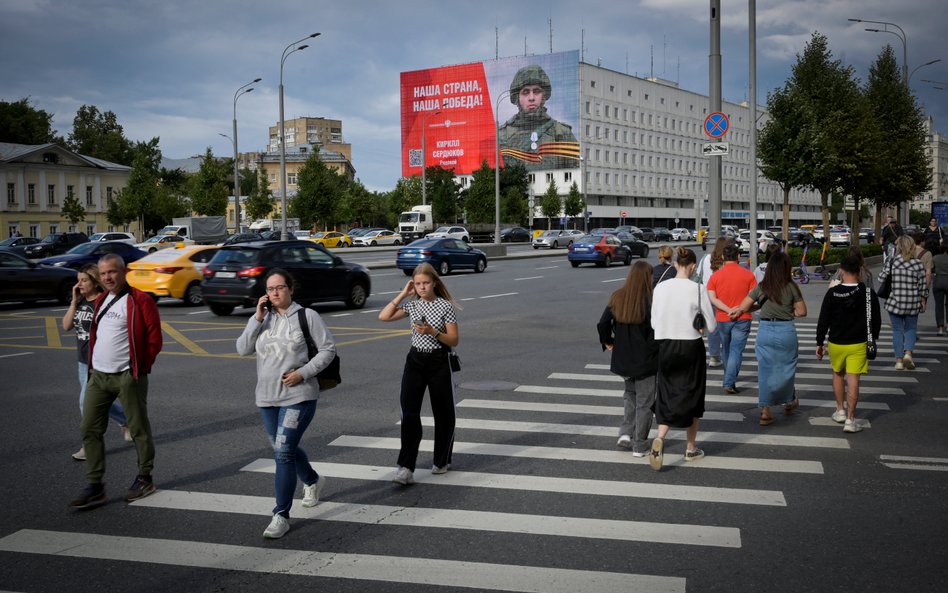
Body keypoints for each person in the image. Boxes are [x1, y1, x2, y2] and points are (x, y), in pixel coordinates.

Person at [236, 269, 335, 539]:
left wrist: (302, 373)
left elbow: (328, 350)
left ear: (291, 289)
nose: (275, 292)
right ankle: (313, 480)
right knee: (283, 447)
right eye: (270, 289)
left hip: (298, 395)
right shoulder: (263, 319)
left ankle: (281, 514)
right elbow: (242, 349)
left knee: (282, 452)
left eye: (280, 287)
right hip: (266, 397)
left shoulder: (307, 316)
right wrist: (257, 318)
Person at [69, 254, 162, 510]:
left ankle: (145, 478)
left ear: (123, 272)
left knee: (138, 428)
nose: (107, 277)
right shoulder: (101, 300)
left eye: (112, 272)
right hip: (98, 376)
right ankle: (95, 485)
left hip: (127, 375)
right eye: (103, 273)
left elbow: (155, 339)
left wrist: (139, 368)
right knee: (89, 428)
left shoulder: (139, 300)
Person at [379, 262, 459, 485]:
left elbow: (454, 339)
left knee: (443, 412)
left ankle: (442, 459)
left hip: (438, 361)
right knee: (409, 413)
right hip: (415, 360)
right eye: (417, 284)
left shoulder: (444, 306)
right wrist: (403, 293)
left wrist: (434, 332)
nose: (422, 287)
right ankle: (405, 467)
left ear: (434, 283)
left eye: (425, 283)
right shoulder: (412, 306)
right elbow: (384, 317)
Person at [649, 247, 717, 470]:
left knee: (667, 392)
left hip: (666, 344)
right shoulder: (698, 288)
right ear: (693, 266)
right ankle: (690, 447)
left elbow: (653, 322)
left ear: (676, 264)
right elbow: (712, 326)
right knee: (693, 394)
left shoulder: (660, 287)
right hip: (690, 346)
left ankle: (660, 437)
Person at [61, 264, 131, 461]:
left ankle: (89, 446)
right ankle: (127, 421)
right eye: (78, 280)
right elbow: (66, 325)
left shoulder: (103, 303)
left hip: (97, 363)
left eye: (83, 280)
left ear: (94, 281)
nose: (79, 284)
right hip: (83, 363)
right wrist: (74, 302)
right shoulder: (81, 301)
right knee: (100, 402)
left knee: (87, 403)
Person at [733, 252, 806, 425]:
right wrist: (788, 311)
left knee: (765, 370)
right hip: (786, 330)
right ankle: (789, 401)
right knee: (786, 368)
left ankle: (765, 411)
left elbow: (744, 306)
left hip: (765, 331)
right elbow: (802, 312)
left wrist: (758, 306)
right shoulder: (791, 286)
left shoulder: (762, 286)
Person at [597, 261, 658, 456]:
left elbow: (603, 323)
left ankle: (625, 433)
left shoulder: (618, 296)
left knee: (629, 395)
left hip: (623, 358)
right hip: (646, 360)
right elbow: (656, 332)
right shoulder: (651, 300)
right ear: (647, 278)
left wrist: (608, 341)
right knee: (645, 402)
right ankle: (640, 445)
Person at [816, 255, 882, 433]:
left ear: (842, 271)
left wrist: (819, 342)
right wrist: (873, 338)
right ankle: (851, 421)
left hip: (836, 342)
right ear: (860, 271)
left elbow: (824, 319)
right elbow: (876, 320)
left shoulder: (832, 292)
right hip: (858, 343)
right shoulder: (868, 293)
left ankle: (840, 411)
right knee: (853, 380)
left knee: (838, 374)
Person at [496, 64, 579, 171]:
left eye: (536, 91)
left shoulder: (561, 133)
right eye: (525, 92)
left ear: (543, 95)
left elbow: (575, 174)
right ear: (517, 97)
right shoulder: (501, 135)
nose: (531, 98)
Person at [707, 244, 757, 394]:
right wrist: (739, 309)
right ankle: (729, 381)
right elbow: (754, 298)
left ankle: (728, 378)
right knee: (736, 350)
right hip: (743, 317)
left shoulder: (715, 276)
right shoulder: (749, 275)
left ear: (722, 257)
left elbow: (712, 299)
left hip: (723, 317)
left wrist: (728, 310)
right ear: (738, 257)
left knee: (726, 348)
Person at [878, 235, 928, 370]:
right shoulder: (918, 264)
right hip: (912, 302)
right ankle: (908, 354)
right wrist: (924, 298)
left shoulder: (892, 261)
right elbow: (923, 286)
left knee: (897, 330)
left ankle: (899, 361)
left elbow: (881, 278)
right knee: (911, 329)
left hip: (895, 302)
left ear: (898, 247)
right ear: (912, 247)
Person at [698, 236, 729, 367]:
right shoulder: (727, 261)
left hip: (708, 297)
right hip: (724, 297)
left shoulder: (705, 258)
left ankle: (714, 356)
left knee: (712, 327)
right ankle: (726, 354)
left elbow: (698, 275)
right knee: (726, 327)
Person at [933, 241, 948, 336]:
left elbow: (931, 269)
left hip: (938, 281)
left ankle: (940, 328)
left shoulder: (935, 258)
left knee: (939, 305)